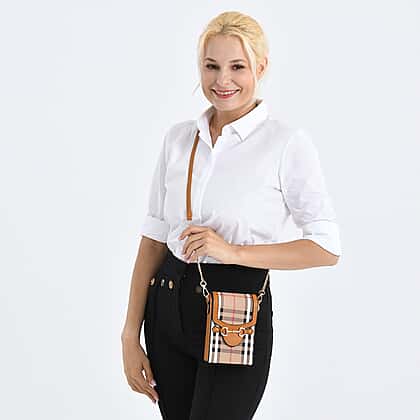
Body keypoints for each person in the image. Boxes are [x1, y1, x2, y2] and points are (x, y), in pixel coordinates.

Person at [121, 10, 342, 420]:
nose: (223, 80)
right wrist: (129, 335)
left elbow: (326, 247)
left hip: (235, 312)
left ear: (261, 67)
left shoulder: (285, 143)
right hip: (166, 305)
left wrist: (233, 252)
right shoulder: (179, 139)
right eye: (211, 66)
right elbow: (153, 240)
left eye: (237, 67)